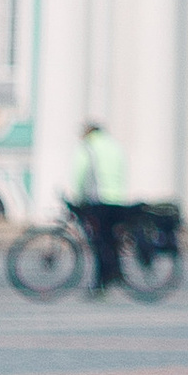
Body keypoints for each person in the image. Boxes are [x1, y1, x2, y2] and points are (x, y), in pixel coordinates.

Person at [73, 121, 129, 296]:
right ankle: (114, 272)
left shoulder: (90, 147)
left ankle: (100, 283)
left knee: (98, 243)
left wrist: (77, 197)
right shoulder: (114, 145)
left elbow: (81, 172)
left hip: (99, 200)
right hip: (117, 198)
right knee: (109, 239)